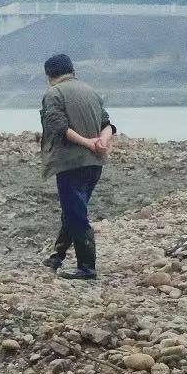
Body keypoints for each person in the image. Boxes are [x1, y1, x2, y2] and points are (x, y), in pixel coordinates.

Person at [39, 54, 115, 280]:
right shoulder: (90, 91)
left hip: (71, 163)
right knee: (72, 210)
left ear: (50, 75)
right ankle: (57, 256)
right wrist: (101, 141)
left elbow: (59, 128)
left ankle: (87, 267)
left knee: (76, 214)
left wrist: (87, 142)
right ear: (72, 71)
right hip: (94, 163)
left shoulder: (53, 94)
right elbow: (108, 125)